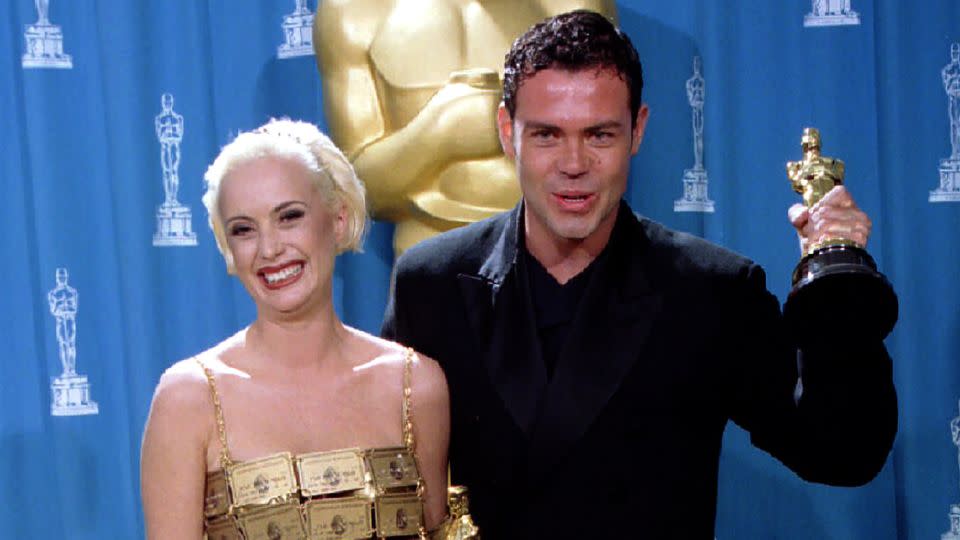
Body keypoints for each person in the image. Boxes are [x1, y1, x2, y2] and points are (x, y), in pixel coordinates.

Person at [382, 10, 897, 538]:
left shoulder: (712, 291)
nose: (574, 163)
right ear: (506, 132)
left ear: (638, 130)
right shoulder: (431, 284)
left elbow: (842, 454)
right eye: (546, 135)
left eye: (599, 135)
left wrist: (837, 283)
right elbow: (387, 480)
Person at [140, 119, 450, 539]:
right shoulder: (189, 398)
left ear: (338, 220)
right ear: (228, 248)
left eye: (289, 217)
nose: (269, 249)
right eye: (244, 229)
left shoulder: (415, 385)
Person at [314, 0, 615, 254]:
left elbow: (607, 150)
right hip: (430, 267)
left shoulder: (575, 5)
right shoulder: (353, 12)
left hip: (565, 261)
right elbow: (360, 190)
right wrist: (442, 131)